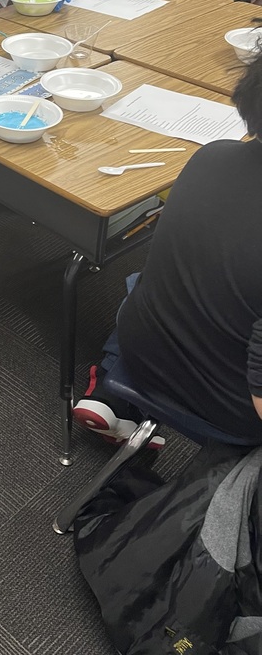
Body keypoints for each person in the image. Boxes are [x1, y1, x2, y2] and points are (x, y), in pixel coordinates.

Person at [74, 50, 262, 447]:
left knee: (156, 275)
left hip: (141, 348)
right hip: (223, 406)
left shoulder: (212, 155)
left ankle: (110, 386)